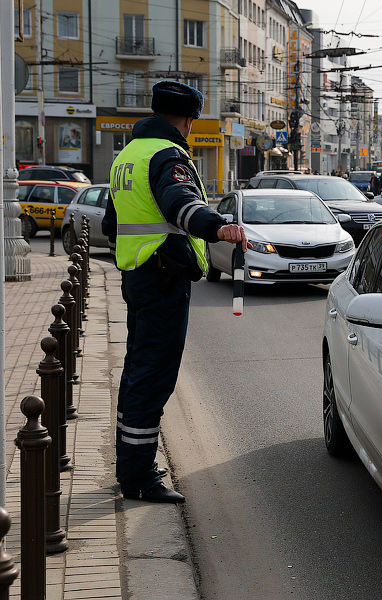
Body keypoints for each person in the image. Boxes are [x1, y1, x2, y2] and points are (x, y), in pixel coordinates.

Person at [102, 81, 248, 504]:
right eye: (191, 120)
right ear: (186, 119)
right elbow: (180, 202)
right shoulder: (168, 155)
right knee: (153, 376)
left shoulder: (126, 157)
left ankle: (130, 466)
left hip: (138, 277)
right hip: (164, 279)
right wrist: (216, 226)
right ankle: (140, 479)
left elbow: (113, 224)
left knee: (138, 371)